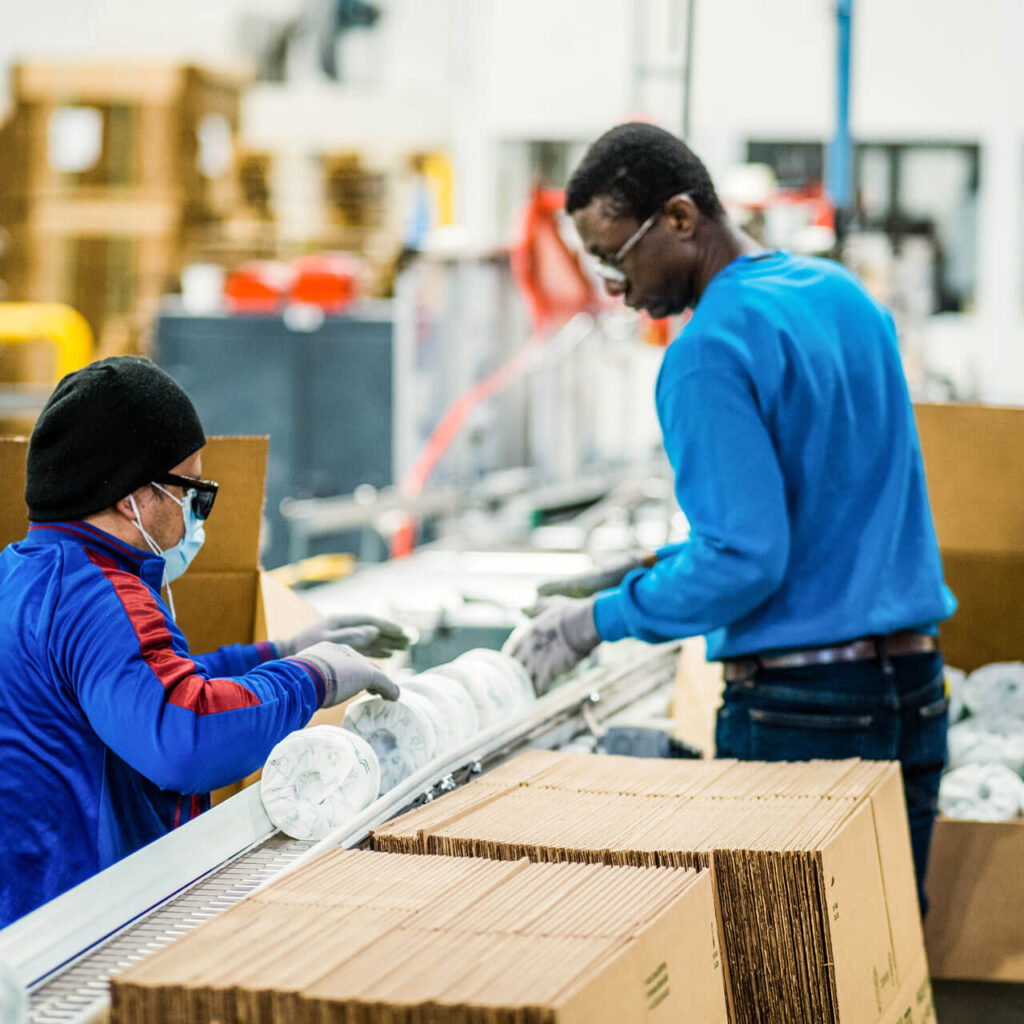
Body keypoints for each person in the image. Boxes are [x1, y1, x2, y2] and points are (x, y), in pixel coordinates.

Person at [508, 122, 956, 910]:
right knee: (882, 970)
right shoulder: (843, 296)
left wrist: (594, 622)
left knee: (783, 976)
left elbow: (746, 561)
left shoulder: (706, 350)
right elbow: (832, 501)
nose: (616, 288)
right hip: (913, 688)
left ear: (681, 218)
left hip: (804, 716)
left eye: (618, 257)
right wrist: (647, 572)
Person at [0, 356, 406, 927]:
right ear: (132, 497)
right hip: (75, 926)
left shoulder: (27, 572)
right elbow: (182, 734)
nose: (197, 513)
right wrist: (311, 679)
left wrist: (276, 652)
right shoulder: (100, 596)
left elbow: (140, 681)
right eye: (191, 488)